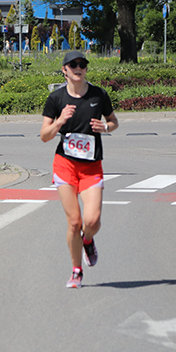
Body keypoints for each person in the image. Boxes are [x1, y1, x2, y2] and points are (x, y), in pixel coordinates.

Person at [41, 50, 118, 289]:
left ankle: (88, 240)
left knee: (92, 221)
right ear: (64, 70)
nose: (78, 68)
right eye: (73, 64)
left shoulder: (98, 95)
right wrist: (60, 121)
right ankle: (76, 270)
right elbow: (44, 135)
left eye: (82, 64)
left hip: (91, 166)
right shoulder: (56, 99)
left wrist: (105, 128)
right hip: (65, 165)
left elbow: (114, 121)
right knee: (74, 221)